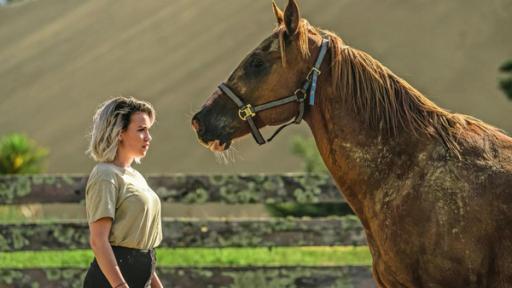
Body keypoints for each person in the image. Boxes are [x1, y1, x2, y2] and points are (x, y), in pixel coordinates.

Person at [83, 97, 163, 288]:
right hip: (111, 282)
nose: (148, 137)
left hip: (139, 276)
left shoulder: (136, 176)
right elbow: (98, 240)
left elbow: (140, 246)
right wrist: (120, 285)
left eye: (148, 130)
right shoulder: (105, 175)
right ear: (119, 133)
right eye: (141, 130)